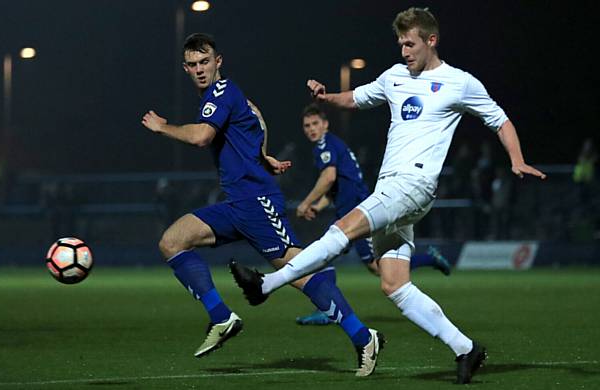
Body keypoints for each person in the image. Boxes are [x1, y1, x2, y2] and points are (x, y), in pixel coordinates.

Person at [229, 8, 546, 384]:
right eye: (400, 43)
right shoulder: (394, 77)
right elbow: (357, 98)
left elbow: (500, 119)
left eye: (410, 43)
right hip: (390, 189)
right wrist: (327, 96)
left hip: (413, 185)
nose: (403, 50)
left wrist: (517, 159)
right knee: (394, 285)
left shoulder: (458, 82)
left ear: (432, 41)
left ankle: (265, 285)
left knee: (342, 230)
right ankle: (465, 348)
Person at [141, 33, 384, 377]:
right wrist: (262, 155)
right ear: (185, 67)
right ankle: (221, 317)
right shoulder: (222, 96)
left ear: (218, 61)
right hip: (235, 203)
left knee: (300, 272)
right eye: (192, 64)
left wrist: (162, 127)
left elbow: (201, 137)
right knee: (172, 241)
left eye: (204, 62)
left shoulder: (222, 92)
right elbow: (257, 118)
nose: (199, 69)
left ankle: (364, 337)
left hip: (256, 203)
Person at [295, 103, 451, 325]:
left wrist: (305, 203)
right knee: (325, 257)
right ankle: (327, 310)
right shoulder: (327, 145)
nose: (311, 129)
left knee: (378, 268)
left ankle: (430, 258)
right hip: (347, 210)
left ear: (325, 125)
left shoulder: (326, 146)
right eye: (306, 125)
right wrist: (318, 207)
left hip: (358, 213)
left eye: (315, 124)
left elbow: (328, 178)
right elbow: (336, 187)